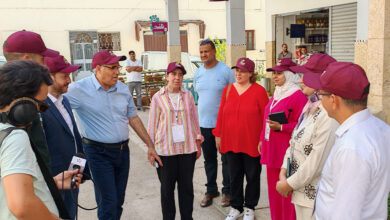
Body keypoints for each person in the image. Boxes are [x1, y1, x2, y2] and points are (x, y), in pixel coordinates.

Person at [65, 49, 161, 220]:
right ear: (98, 69)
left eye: (118, 67)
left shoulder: (123, 89)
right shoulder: (78, 90)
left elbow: (134, 118)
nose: (117, 72)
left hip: (123, 152)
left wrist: (150, 145)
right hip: (97, 153)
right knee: (108, 202)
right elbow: (54, 102)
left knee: (118, 200)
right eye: (112, 67)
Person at [0, 60, 82, 220]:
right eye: (40, 106)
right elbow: (21, 205)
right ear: (22, 105)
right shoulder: (15, 137)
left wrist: (49, 183)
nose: (39, 112)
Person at [315, 62, 390, 220]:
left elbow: (345, 214)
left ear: (334, 100)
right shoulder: (381, 128)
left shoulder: (351, 149)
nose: (320, 100)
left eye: (321, 95)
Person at [275, 54, 338, 220]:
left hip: (316, 198)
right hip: (300, 193)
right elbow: (294, 140)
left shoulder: (327, 115)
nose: (301, 80)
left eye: (305, 75)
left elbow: (316, 161)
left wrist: (288, 183)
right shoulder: (310, 105)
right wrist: (283, 171)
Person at [213, 58, 269, 220]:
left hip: (251, 142)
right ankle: (236, 207)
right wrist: (218, 134)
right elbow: (221, 114)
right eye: (236, 70)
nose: (238, 74)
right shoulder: (228, 89)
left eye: (243, 71)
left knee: (252, 176)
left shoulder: (259, 91)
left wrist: (262, 140)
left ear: (251, 73)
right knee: (234, 176)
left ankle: (250, 207)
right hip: (231, 141)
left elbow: (266, 118)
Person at [148, 62, 202, 220]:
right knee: (167, 190)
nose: (177, 78)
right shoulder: (158, 98)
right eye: (174, 74)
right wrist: (151, 149)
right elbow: (152, 125)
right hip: (165, 151)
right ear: (167, 76)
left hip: (187, 150)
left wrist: (198, 143)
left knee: (187, 189)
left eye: (180, 74)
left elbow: (194, 121)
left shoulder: (188, 96)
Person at [2, 30, 59, 169]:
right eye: (42, 59)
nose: (46, 65)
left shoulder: (28, 98)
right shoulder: (23, 105)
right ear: (27, 59)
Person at [260, 58, 307, 220]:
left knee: (287, 194)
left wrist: (282, 127)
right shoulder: (277, 94)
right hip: (271, 149)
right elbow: (266, 119)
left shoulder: (298, 96)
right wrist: (261, 139)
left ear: (289, 74)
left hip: (285, 152)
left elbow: (304, 127)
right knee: (273, 193)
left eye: (279, 73)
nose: (275, 77)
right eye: (274, 73)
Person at [42, 55, 87, 220]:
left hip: (71, 174)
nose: (69, 80)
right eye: (64, 76)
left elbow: (74, 136)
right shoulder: (41, 107)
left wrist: (82, 169)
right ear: (49, 77)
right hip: (55, 180)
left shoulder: (65, 101)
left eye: (69, 76)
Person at [194, 39, 235, 207]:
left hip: (224, 125)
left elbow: (234, 97)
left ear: (214, 52)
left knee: (226, 159)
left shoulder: (225, 71)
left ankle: (227, 191)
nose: (204, 55)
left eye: (207, 51)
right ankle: (211, 190)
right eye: (201, 51)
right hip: (204, 124)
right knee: (209, 159)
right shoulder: (198, 73)